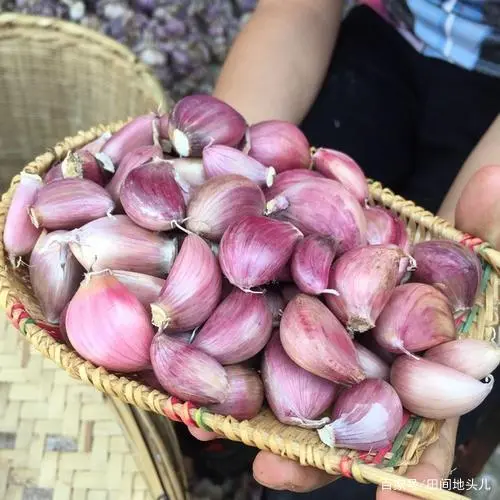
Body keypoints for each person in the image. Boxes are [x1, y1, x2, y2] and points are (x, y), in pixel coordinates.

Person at [192, 0, 500, 498]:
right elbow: (298, 10)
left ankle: (450, 469)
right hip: (386, 36)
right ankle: (228, 450)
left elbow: (434, 271)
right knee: (231, 323)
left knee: (357, 471)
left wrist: (439, 275)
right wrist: (226, 170)